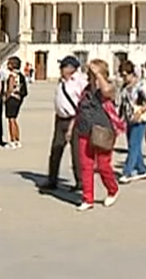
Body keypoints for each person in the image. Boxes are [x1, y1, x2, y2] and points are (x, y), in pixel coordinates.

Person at [72, 59, 125, 211]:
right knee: (86, 165)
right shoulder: (86, 90)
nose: (90, 76)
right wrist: (72, 128)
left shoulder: (109, 87)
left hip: (103, 131)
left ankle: (112, 189)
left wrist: (99, 76)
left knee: (103, 165)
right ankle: (87, 198)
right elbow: (79, 110)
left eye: (93, 73)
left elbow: (107, 92)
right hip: (84, 130)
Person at [42, 56, 85, 192]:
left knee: (76, 153)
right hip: (60, 119)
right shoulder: (61, 81)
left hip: (74, 119)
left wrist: (74, 121)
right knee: (56, 149)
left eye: (63, 66)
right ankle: (52, 179)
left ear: (71, 68)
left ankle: (80, 181)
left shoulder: (80, 82)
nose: (60, 69)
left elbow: (82, 103)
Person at [118, 60, 146, 183]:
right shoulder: (124, 87)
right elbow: (123, 104)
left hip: (140, 120)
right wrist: (119, 118)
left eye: (125, 75)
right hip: (129, 119)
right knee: (133, 145)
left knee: (134, 145)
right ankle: (141, 169)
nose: (123, 78)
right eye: (122, 75)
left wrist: (140, 111)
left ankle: (127, 172)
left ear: (131, 73)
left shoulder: (140, 86)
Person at [4, 56, 28, 149]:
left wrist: (5, 97)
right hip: (18, 98)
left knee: (11, 120)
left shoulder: (12, 75)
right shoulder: (20, 75)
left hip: (12, 98)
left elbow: (10, 88)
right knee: (14, 119)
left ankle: (12, 140)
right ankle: (17, 139)